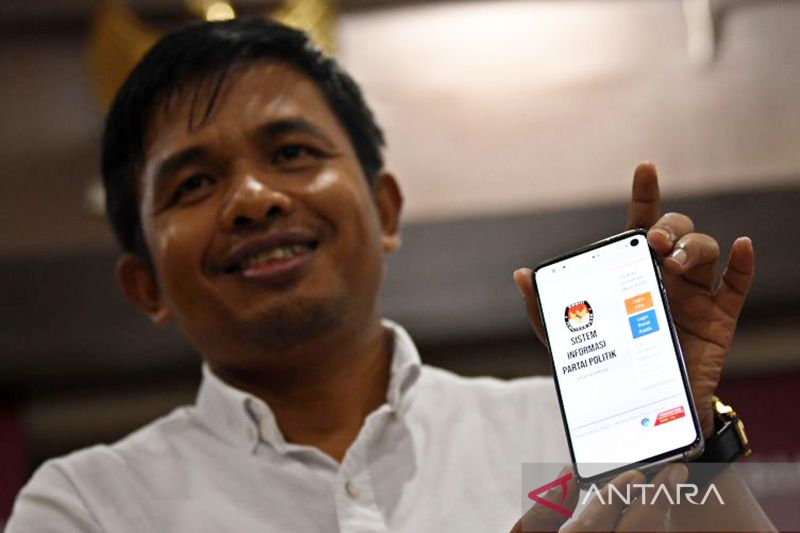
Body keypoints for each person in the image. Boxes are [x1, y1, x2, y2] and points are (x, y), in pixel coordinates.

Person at [6, 18, 775, 532]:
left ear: (384, 209)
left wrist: (685, 434)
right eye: (195, 183)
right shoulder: (85, 506)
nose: (254, 198)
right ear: (144, 284)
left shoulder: (569, 431)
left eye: (292, 153)